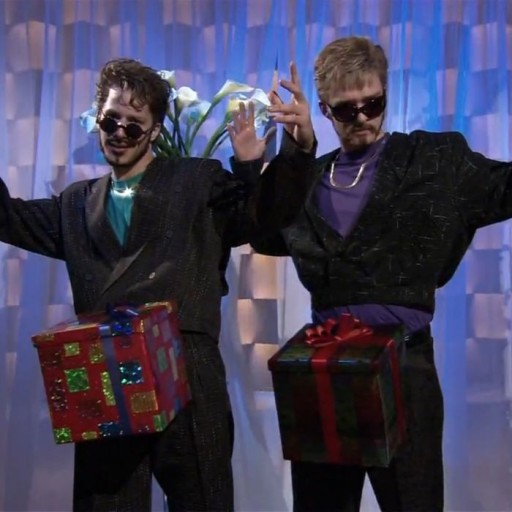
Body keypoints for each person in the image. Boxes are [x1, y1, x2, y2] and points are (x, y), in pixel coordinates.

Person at [0, 58, 315, 511]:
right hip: (107, 373)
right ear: (98, 119)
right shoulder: (75, 205)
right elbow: (8, 217)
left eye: (134, 125)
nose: (120, 132)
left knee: (202, 499)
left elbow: (264, 215)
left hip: (187, 372)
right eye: (111, 121)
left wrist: (297, 148)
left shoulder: (195, 180)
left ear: (154, 130)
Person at [256, 35, 512, 511]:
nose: (362, 119)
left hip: (405, 365)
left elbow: (505, 187)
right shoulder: (309, 177)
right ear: (325, 110)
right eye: (346, 109)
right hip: (326, 368)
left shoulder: (433, 160)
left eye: (372, 104)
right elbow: (263, 231)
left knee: (412, 501)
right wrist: (298, 152)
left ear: (386, 95)